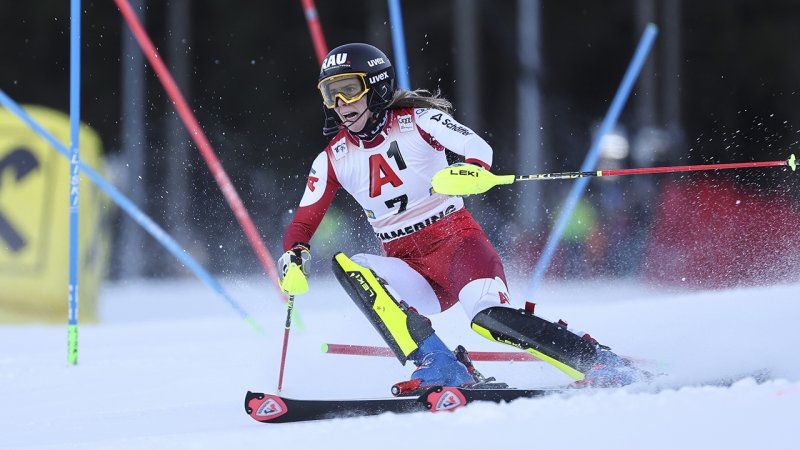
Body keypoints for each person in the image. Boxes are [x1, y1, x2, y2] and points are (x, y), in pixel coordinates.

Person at [277, 43, 645, 394]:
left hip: (458, 246)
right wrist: (293, 254)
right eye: (330, 94)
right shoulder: (333, 158)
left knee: (488, 319)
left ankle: (595, 360)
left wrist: (472, 170)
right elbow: (303, 223)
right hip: (409, 266)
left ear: (375, 88)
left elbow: (476, 147)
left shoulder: (418, 120)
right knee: (352, 267)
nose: (341, 104)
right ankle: (441, 364)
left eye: (348, 90)